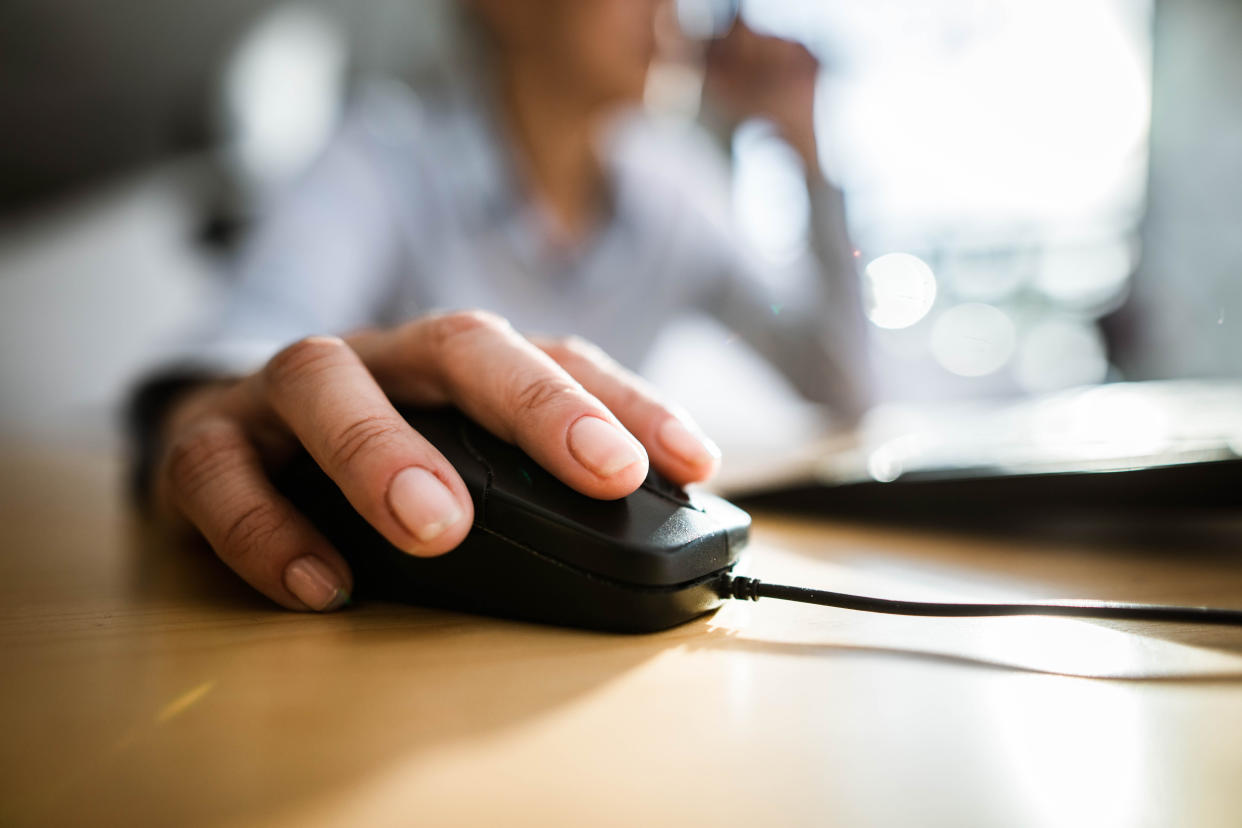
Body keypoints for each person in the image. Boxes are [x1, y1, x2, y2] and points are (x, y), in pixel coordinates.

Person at [132, 0, 869, 614]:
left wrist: (806, 148)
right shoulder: (382, 156)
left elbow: (839, 385)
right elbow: (233, 364)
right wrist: (204, 417)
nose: (673, 11)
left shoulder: (677, 190)